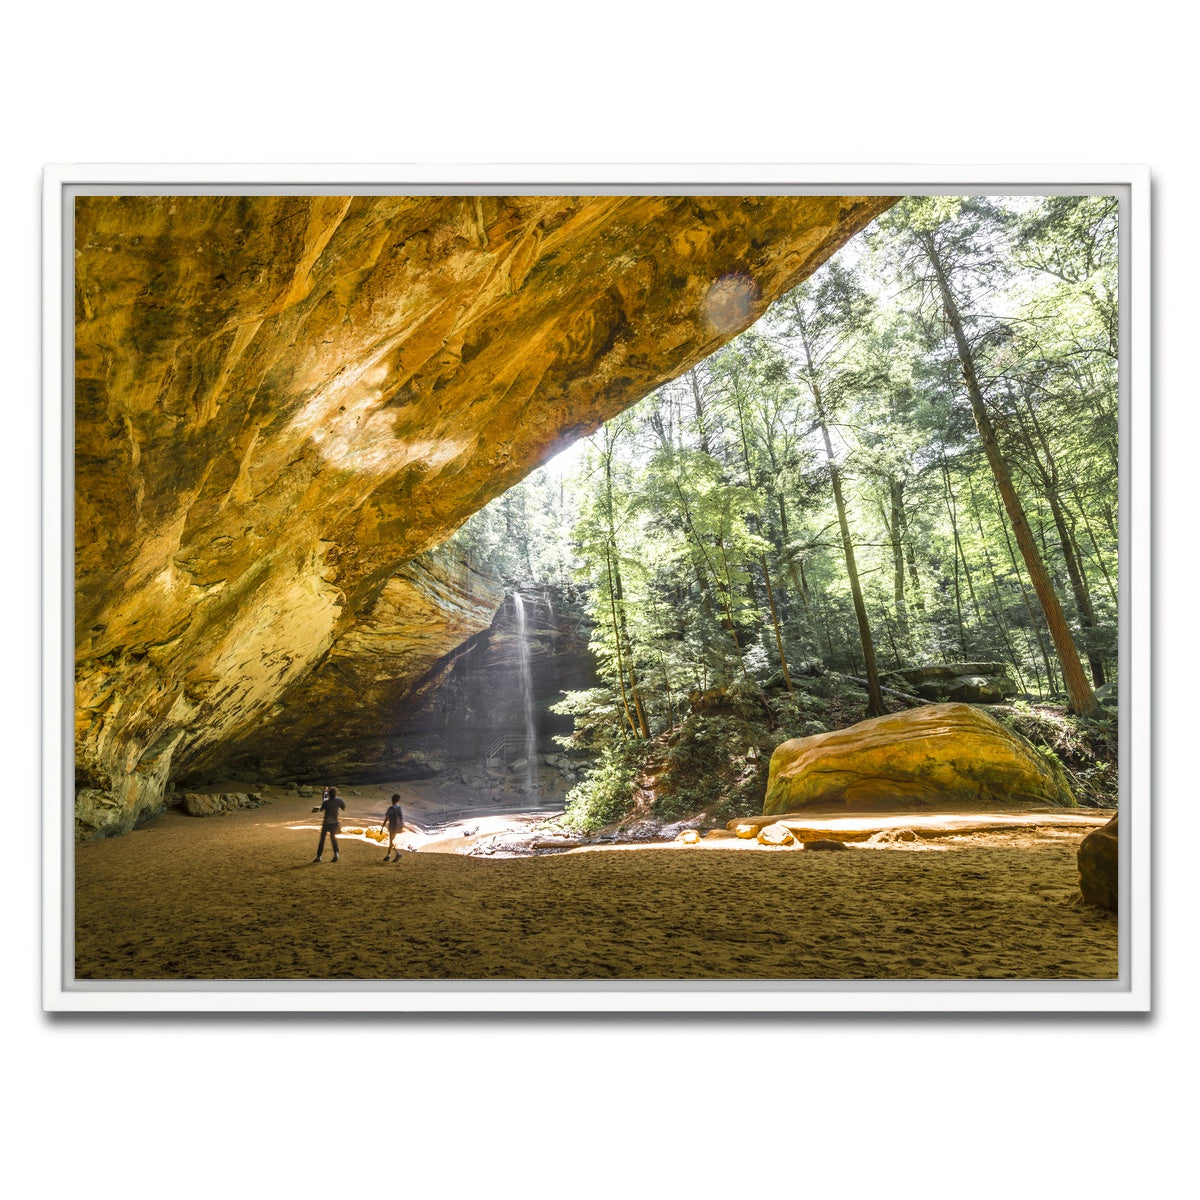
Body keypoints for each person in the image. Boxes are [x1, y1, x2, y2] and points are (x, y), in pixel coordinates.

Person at [312, 786, 345, 862]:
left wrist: (324, 798)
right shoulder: (339, 801)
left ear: (329, 794)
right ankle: (336, 853)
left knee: (322, 840)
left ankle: (319, 856)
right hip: (334, 823)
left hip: (326, 823)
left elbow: (321, 809)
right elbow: (343, 807)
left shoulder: (326, 802)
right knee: (333, 839)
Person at [381, 793, 405, 862]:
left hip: (392, 826)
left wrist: (382, 826)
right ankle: (388, 855)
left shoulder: (390, 808)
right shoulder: (399, 808)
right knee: (391, 840)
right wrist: (402, 826)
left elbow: (386, 818)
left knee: (391, 841)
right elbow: (402, 817)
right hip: (398, 826)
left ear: (392, 800)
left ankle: (397, 853)